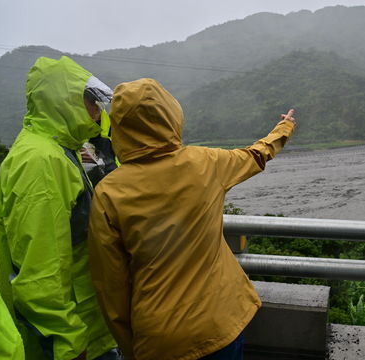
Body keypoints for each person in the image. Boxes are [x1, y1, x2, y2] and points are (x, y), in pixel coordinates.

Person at [88, 78, 296, 359]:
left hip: (159, 337)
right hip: (221, 323)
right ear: (171, 115)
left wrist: (131, 346)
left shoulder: (109, 192)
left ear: (119, 126)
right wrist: (285, 127)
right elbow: (256, 155)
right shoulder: (206, 163)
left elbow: (110, 285)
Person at [0, 56, 119, 360]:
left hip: (86, 326)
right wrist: (68, 343)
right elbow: (40, 270)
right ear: (65, 101)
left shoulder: (61, 150)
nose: (98, 111)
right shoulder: (40, 163)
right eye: (91, 103)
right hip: (72, 340)